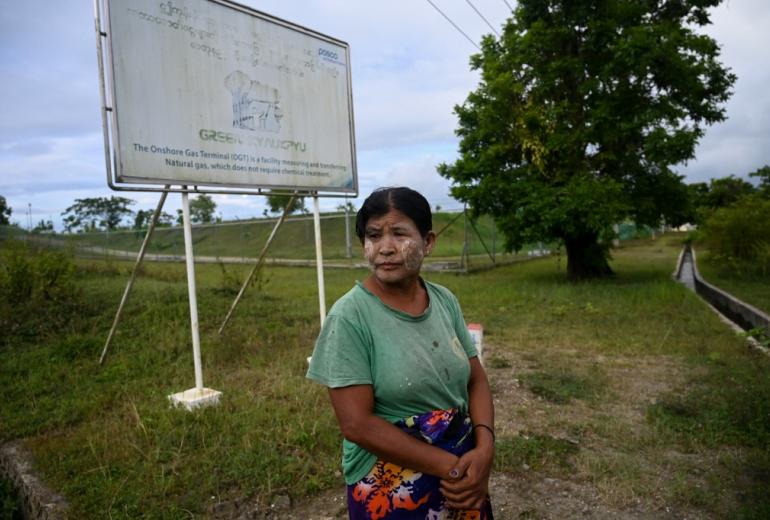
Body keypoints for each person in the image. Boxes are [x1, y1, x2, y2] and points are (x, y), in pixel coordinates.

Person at [307, 187, 495, 519]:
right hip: (392, 482)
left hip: (464, 466)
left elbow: (476, 379)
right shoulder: (349, 317)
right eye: (374, 235)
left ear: (428, 242)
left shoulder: (444, 300)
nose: (386, 248)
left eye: (399, 233)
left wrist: (484, 449)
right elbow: (356, 424)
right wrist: (452, 469)